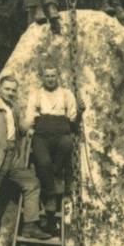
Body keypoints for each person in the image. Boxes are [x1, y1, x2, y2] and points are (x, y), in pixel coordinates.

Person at [0, 74, 51, 241]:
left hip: (13, 156)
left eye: (13, 90)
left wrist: (28, 129)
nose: (11, 92)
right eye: (7, 89)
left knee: (32, 183)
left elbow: (16, 129)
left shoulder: (11, 108)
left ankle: (30, 226)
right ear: (0, 89)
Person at [25, 64, 79, 222]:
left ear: (58, 76)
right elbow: (30, 115)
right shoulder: (36, 94)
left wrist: (80, 112)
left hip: (61, 132)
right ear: (42, 77)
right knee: (44, 161)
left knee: (67, 144)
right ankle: (51, 196)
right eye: (47, 76)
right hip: (42, 134)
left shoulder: (66, 94)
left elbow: (73, 118)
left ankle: (53, 178)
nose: (50, 79)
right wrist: (29, 129)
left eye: (53, 75)